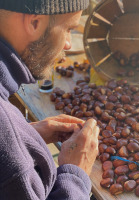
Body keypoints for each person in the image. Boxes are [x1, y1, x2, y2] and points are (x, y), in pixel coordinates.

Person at [0, 0, 99, 199]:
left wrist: (24, 134)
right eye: (69, 28)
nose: (69, 43)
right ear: (35, 23)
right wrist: (75, 174)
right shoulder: (16, 167)